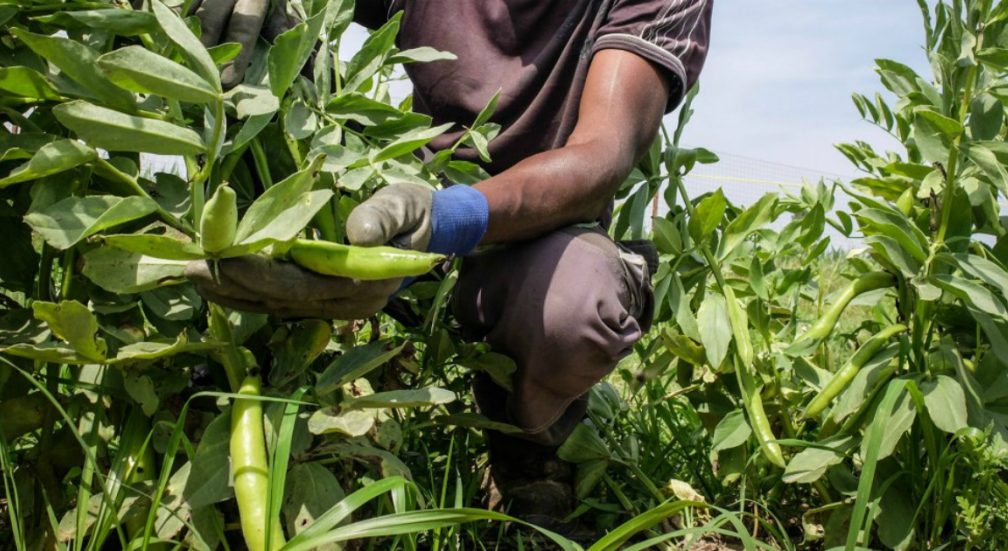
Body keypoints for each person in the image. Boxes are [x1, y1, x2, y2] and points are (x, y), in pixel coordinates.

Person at [187, 0, 713, 529]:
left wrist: (444, 221)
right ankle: (246, 396)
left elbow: (603, 154)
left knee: (575, 305)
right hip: (403, 195)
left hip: (536, 233)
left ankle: (527, 446)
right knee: (271, 196)